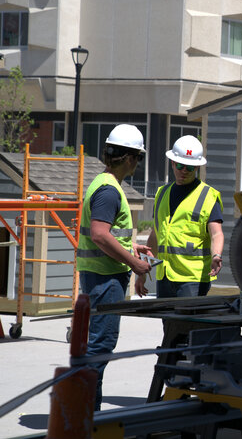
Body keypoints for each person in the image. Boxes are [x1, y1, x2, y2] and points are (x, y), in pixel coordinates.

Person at [77, 124, 153, 410]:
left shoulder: (103, 184)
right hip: (105, 280)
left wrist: (132, 248)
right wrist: (134, 262)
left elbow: (108, 234)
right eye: (139, 158)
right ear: (130, 157)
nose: (138, 164)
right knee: (100, 347)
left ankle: (86, 409)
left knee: (96, 346)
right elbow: (99, 234)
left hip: (101, 276)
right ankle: (86, 411)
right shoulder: (109, 191)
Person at [136, 135, 224, 299]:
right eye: (180, 165)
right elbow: (155, 236)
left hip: (193, 279)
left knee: (187, 324)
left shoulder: (208, 196)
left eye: (190, 167)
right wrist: (143, 270)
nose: (184, 171)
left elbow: (216, 233)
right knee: (168, 325)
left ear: (197, 167)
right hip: (164, 276)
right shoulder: (161, 194)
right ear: (172, 162)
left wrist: (216, 255)